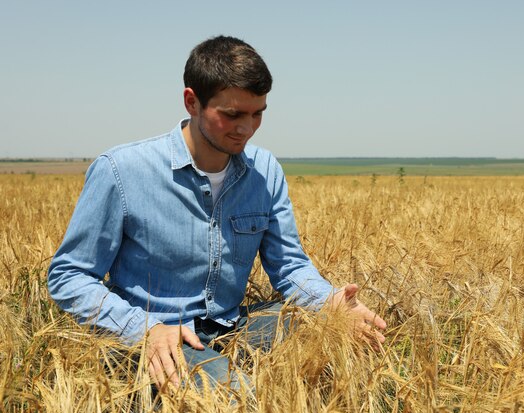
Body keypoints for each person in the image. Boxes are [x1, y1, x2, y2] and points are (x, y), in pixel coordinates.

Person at [47, 35, 386, 389]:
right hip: (159, 337)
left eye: (257, 114)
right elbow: (69, 276)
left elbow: (288, 265)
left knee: (338, 342)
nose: (247, 128)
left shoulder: (265, 170)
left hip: (234, 326)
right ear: (192, 102)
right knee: (242, 396)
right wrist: (142, 327)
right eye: (232, 114)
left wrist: (330, 304)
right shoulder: (121, 170)